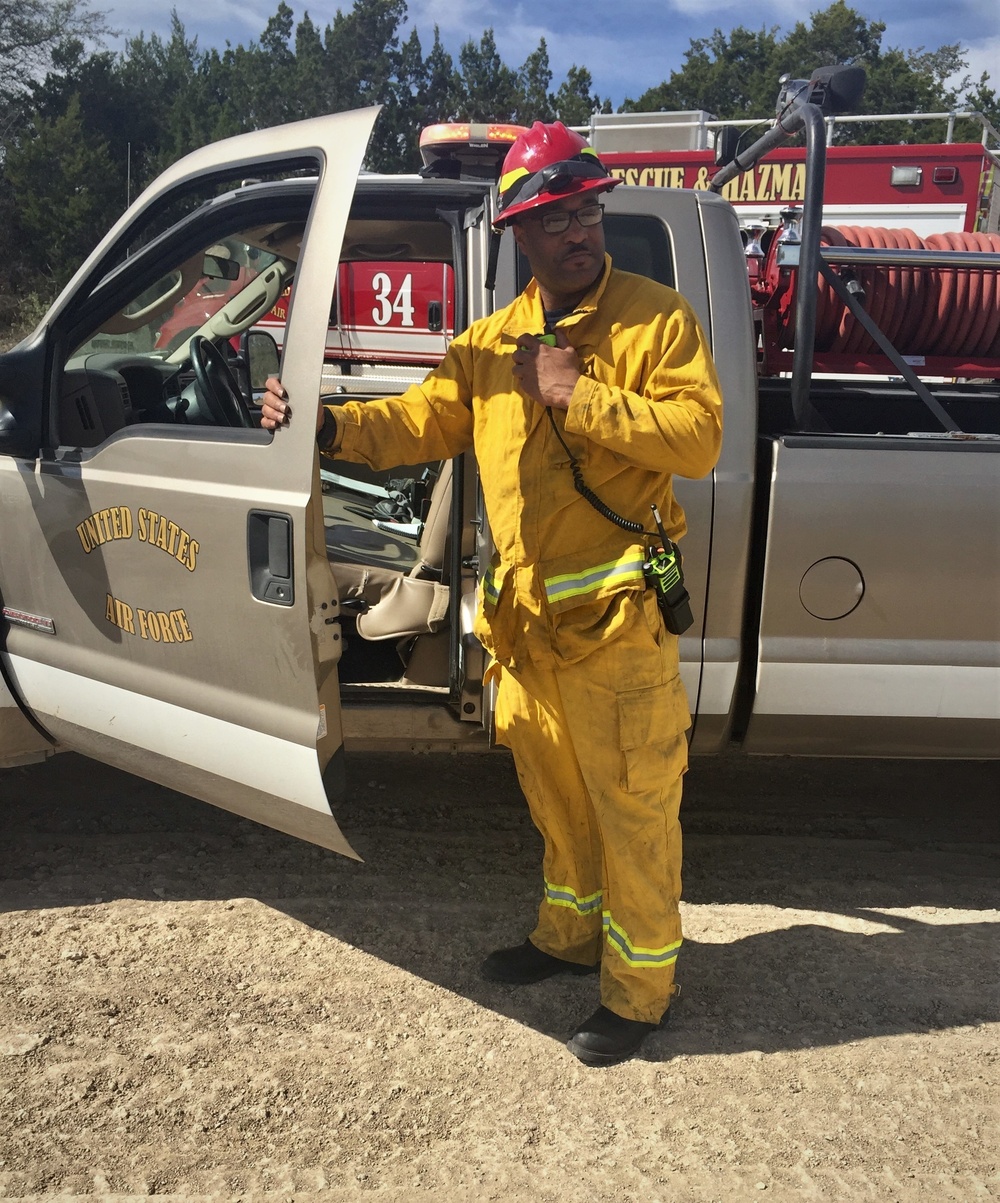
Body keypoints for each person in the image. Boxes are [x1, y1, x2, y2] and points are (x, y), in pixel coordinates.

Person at [260, 121, 723, 1067]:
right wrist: (321, 428)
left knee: (633, 808)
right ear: (519, 232)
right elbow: (418, 420)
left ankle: (641, 992)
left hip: (616, 628)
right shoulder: (489, 343)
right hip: (530, 629)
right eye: (554, 218)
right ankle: (567, 937)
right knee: (556, 796)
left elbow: (700, 440)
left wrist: (575, 394)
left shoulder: (654, 320)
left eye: (587, 211)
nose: (578, 232)